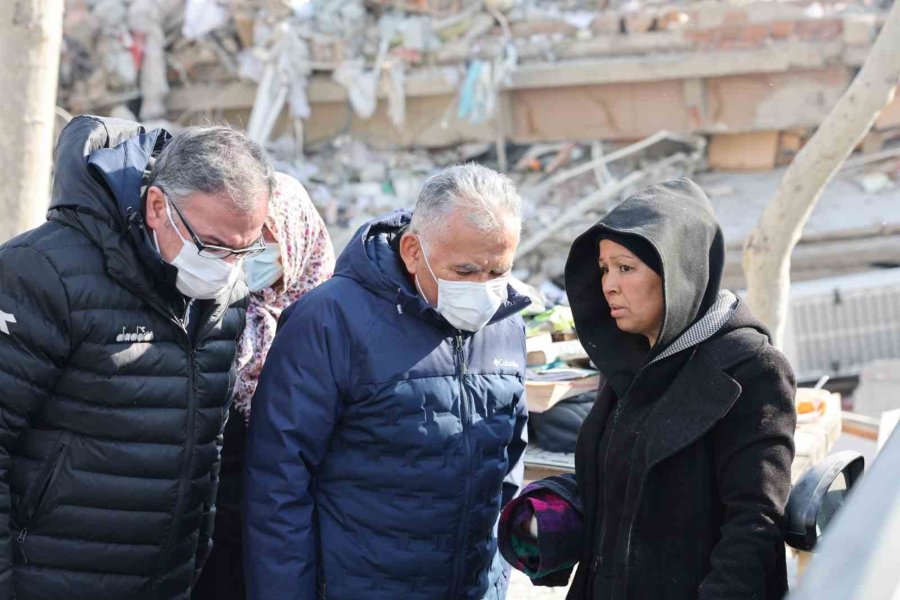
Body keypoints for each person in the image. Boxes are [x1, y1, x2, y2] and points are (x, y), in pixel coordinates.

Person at [0, 115, 274, 600]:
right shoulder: (42, 273)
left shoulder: (226, 294)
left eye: (243, 250)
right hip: (45, 576)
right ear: (155, 206)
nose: (226, 267)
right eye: (210, 245)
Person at [499, 178, 797, 599]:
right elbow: (623, 483)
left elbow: (755, 525)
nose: (609, 285)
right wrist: (551, 513)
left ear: (679, 270)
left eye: (625, 267)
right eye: (604, 269)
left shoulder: (751, 370)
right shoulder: (634, 361)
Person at [243, 164, 530, 600]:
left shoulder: (506, 324)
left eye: (498, 272)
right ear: (414, 251)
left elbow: (506, 463)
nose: (484, 289)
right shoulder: (330, 321)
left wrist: (496, 579)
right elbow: (278, 485)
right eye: (466, 271)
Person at [192, 173, 335, 600]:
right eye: (247, 241)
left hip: (282, 540)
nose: (253, 254)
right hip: (204, 532)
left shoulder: (327, 327)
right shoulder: (205, 307)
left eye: (266, 241)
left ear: (296, 238)